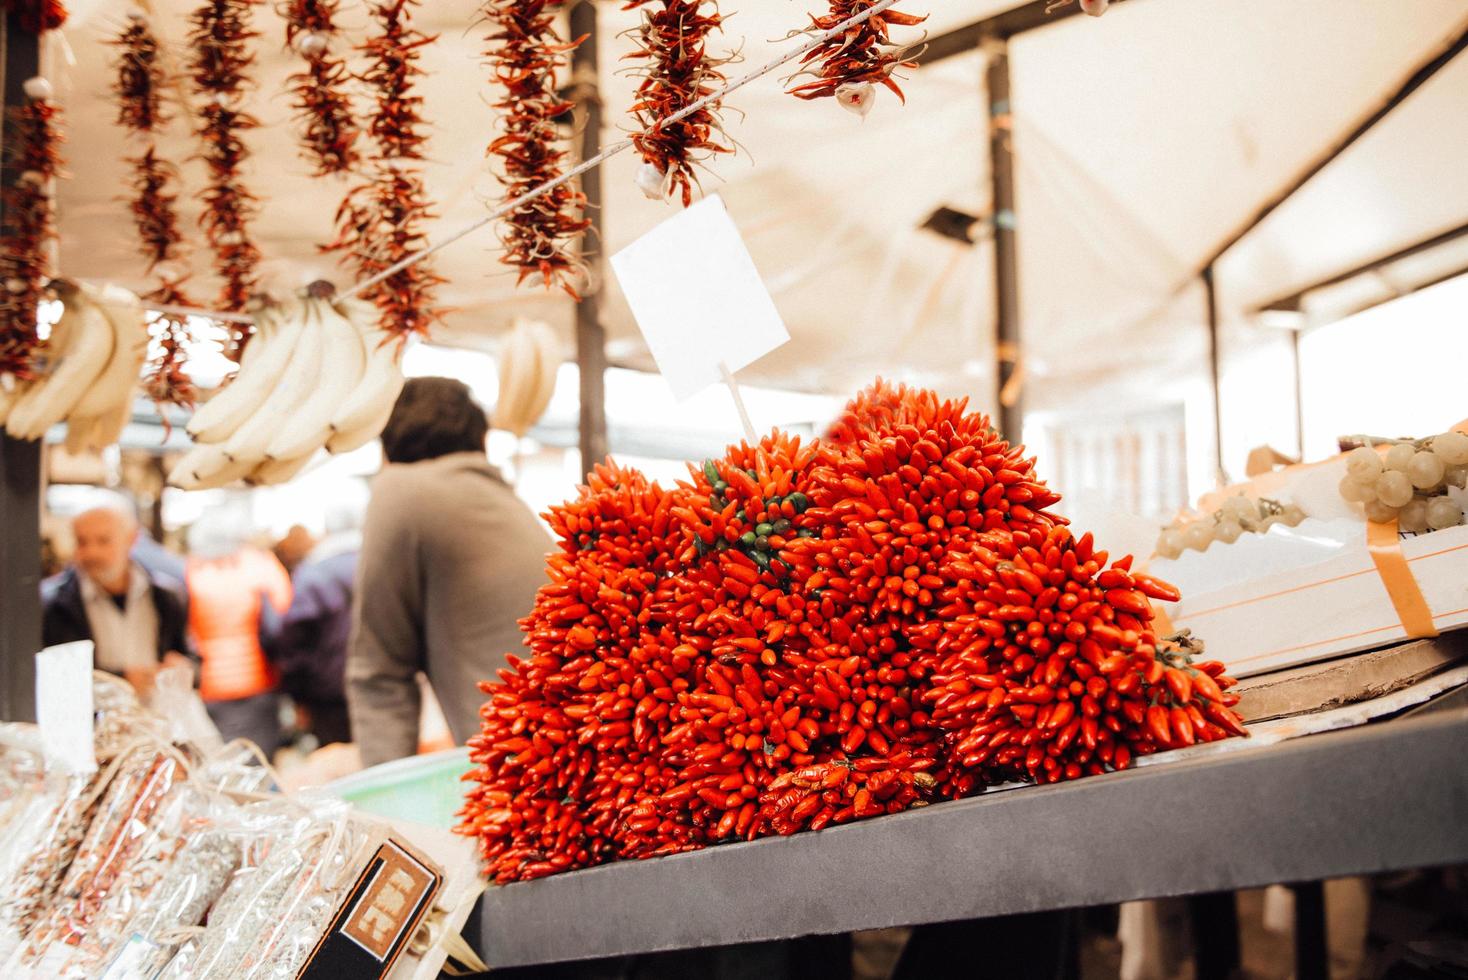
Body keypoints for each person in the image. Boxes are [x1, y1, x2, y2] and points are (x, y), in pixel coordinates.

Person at [348, 377, 552, 767]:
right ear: (479, 439)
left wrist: (387, 817)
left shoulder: (402, 491)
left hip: (521, 770)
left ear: (387, 443)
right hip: (578, 750)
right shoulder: (503, 499)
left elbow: (379, 673)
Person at [41, 498, 193, 694]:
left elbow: (189, 656)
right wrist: (121, 681)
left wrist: (183, 668)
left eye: (103, 541)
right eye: (82, 541)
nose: (91, 552)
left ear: (131, 539)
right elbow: (52, 677)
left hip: (154, 714)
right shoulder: (50, 602)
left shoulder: (167, 595)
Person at [186, 511, 293, 755]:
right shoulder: (261, 567)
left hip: (210, 685)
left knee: (223, 760)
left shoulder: (192, 572)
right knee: (258, 760)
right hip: (257, 681)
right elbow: (285, 619)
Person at [260, 498, 364, 747]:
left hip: (328, 694)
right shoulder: (381, 561)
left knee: (339, 763)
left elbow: (293, 641)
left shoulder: (313, 574)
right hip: (385, 687)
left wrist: (297, 695)